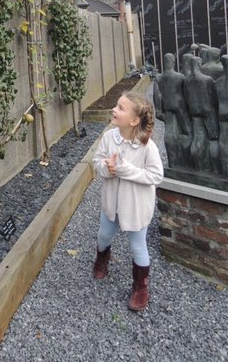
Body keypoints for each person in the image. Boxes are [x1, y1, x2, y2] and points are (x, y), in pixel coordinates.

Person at [92, 92, 164, 312]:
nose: (114, 109)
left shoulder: (146, 146)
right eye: (116, 105)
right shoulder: (108, 138)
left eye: (121, 108)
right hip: (111, 205)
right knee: (103, 235)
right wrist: (108, 169)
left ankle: (140, 285)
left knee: (137, 246)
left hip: (135, 209)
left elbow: (156, 176)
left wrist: (126, 170)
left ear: (134, 120)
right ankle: (103, 256)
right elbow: (96, 162)